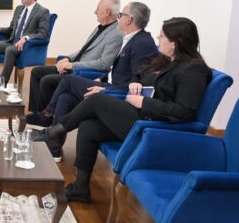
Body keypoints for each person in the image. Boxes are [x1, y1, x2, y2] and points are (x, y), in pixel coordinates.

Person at [45, 17, 212, 202]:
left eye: (162, 36)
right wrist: (136, 83)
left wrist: (144, 103)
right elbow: (141, 76)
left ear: (175, 42)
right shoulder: (167, 60)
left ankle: (54, 132)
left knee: (97, 100)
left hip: (155, 128)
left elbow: (185, 112)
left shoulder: (194, 70)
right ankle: (80, 188)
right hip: (142, 117)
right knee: (88, 127)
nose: (158, 38)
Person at [29, 2, 159, 160]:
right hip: (107, 84)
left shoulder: (142, 44)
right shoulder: (132, 39)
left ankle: (47, 117)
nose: (118, 18)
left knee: (68, 81)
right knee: (65, 98)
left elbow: (136, 85)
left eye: (121, 15)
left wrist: (106, 90)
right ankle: (54, 144)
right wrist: (101, 79)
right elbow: (120, 71)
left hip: (115, 94)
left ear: (129, 19)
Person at [27, 0, 123, 115]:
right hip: (74, 66)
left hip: (83, 72)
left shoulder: (116, 34)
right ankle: (36, 112)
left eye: (98, 9)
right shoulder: (100, 27)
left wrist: (72, 65)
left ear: (107, 12)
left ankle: (46, 116)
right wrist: (67, 58)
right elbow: (83, 50)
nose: (95, 12)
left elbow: (104, 64)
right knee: (36, 72)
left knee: (47, 80)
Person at [0, 0, 50, 84]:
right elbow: (11, 29)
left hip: (25, 46)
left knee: (10, 49)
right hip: (11, 42)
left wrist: (26, 38)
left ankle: (2, 83)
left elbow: (43, 33)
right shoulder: (19, 9)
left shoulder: (42, 11)